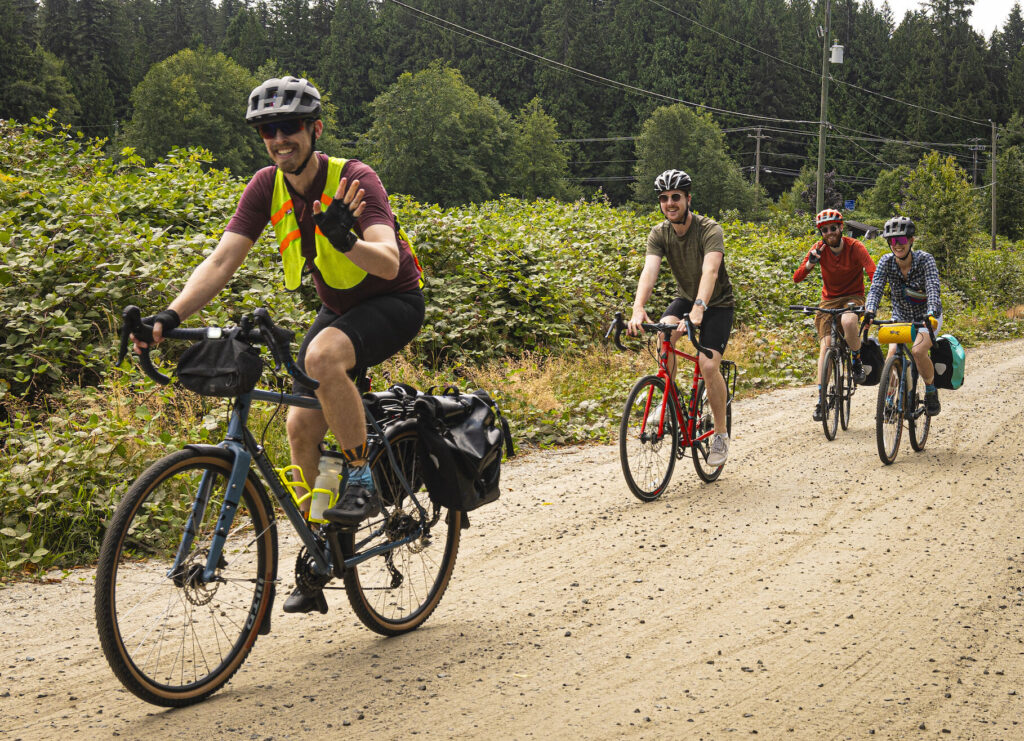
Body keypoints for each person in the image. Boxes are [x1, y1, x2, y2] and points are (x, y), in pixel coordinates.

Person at [133, 76, 425, 612]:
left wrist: (348, 239)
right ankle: (327, 552)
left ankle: (359, 472)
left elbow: (387, 260)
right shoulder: (266, 186)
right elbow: (222, 260)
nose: (278, 138)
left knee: (322, 358)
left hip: (395, 302)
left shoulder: (354, 179)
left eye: (289, 126)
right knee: (299, 427)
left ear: (314, 129)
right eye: (268, 129)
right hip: (339, 309)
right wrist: (169, 315)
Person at [627, 169, 735, 467]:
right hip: (686, 299)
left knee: (708, 364)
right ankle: (665, 402)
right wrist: (638, 308)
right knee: (665, 335)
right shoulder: (659, 233)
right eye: (664, 198)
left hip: (718, 304)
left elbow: (710, 271)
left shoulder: (709, 229)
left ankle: (721, 435)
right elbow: (649, 271)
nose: (670, 203)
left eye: (676, 197)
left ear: (688, 199)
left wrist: (700, 309)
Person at [793, 208, 876, 421]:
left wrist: (873, 302)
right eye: (824, 230)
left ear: (841, 228)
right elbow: (797, 277)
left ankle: (856, 361)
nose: (829, 233)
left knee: (849, 321)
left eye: (833, 228)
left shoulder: (855, 247)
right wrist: (811, 262)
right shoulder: (818, 249)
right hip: (828, 301)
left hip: (853, 297)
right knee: (826, 346)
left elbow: (872, 271)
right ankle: (821, 400)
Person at [863, 215, 943, 416]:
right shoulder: (886, 261)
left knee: (917, 352)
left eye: (901, 240)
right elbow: (876, 288)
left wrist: (932, 311)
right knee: (892, 355)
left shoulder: (925, 260)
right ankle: (889, 401)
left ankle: (931, 391)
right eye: (892, 241)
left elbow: (933, 288)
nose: (896, 245)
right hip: (900, 317)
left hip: (927, 318)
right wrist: (870, 310)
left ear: (911, 240)